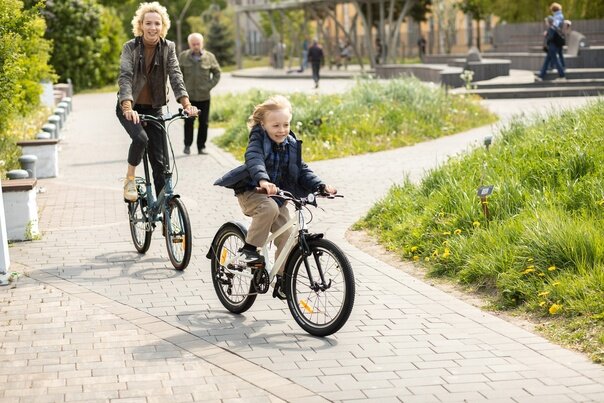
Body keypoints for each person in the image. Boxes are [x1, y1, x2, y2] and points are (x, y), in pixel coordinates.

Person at [213, 95, 337, 299]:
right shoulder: (258, 140)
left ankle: (282, 279)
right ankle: (249, 250)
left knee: (288, 236)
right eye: (275, 125)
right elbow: (254, 160)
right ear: (263, 124)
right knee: (268, 209)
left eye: (285, 124)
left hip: (276, 197)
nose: (281, 130)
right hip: (253, 192)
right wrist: (262, 180)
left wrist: (320, 185)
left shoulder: (291, 144)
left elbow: (302, 170)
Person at [117, 1, 197, 202]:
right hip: (131, 107)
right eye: (148, 23)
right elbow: (125, 77)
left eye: (157, 23)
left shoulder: (168, 47)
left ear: (163, 26)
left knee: (162, 164)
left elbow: (176, 75)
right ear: (141, 25)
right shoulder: (130, 47)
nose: (153, 28)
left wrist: (186, 105)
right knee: (141, 139)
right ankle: (129, 179)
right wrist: (127, 106)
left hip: (155, 109)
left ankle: (165, 209)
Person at [178, 33, 221, 155]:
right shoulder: (183, 57)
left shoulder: (210, 57)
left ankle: (201, 147)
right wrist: (182, 90)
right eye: (193, 44)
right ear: (189, 44)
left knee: (204, 123)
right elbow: (177, 75)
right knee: (188, 121)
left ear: (202, 44)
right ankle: (187, 145)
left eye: (198, 44)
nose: (196, 46)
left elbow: (217, 73)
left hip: (204, 97)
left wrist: (208, 86)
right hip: (189, 98)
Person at [536, 2, 565, 81]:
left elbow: (554, 27)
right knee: (548, 59)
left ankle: (562, 75)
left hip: (553, 42)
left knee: (555, 59)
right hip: (554, 42)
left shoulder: (557, 17)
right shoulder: (559, 16)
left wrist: (548, 31)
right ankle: (541, 76)